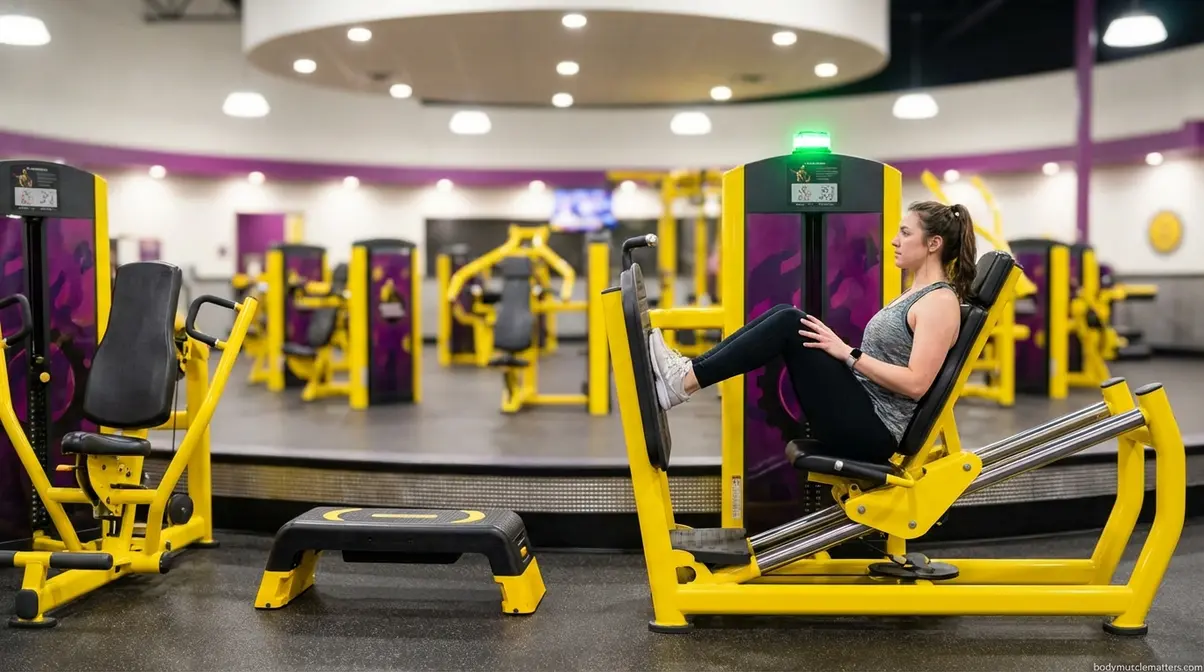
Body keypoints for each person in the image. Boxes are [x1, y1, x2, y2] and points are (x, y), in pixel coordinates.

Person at [648, 201, 978, 465]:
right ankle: (684, 377)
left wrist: (847, 354)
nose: (895, 240)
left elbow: (917, 384)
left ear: (934, 243)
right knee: (785, 315)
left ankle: (683, 381)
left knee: (790, 322)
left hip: (874, 430)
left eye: (905, 233)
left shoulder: (939, 302)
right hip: (861, 410)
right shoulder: (913, 293)